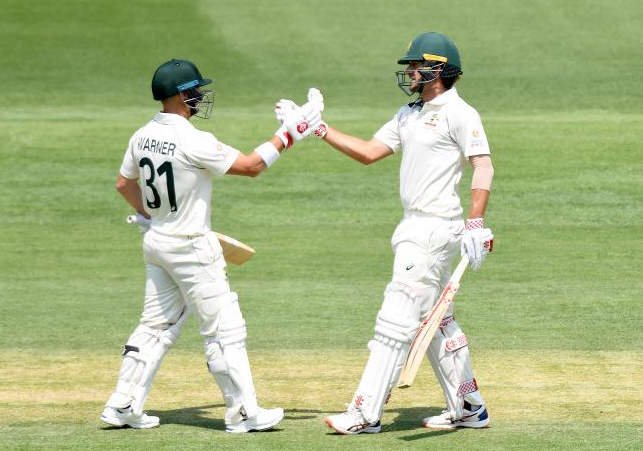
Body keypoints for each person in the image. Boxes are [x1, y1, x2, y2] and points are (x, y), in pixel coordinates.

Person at [293, 32, 495, 433]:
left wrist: (476, 223)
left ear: (438, 69)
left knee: (394, 321)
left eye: (415, 66)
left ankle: (364, 413)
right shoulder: (409, 113)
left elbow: (483, 166)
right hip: (413, 226)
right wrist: (318, 128)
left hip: (435, 229)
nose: (410, 72)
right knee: (437, 322)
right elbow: (368, 152)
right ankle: (469, 406)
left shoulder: (459, 112)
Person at [100, 59, 314, 432]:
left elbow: (123, 184)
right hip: (192, 248)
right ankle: (243, 414)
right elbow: (250, 166)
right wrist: (289, 134)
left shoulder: (141, 135)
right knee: (224, 330)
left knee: (155, 326)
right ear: (181, 96)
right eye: (195, 91)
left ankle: (123, 405)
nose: (199, 97)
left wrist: (151, 215)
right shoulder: (192, 140)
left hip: (157, 242)